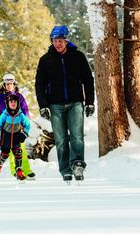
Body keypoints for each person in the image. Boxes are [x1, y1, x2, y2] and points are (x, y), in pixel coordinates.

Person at [35, 25, 95, 182]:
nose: (58, 43)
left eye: (61, 40)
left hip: (75, 103)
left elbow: (88, 80)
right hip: (55, 105)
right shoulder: (45, 60)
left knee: (77, 137)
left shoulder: (78, 57)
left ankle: (78, 164)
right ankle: (65, 170)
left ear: (66, 40)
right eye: (55, 40)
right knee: (61, 140)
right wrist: (43, 106)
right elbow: (39, 84)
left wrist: (90, 102)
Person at [0, 73, 36, 180]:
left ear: (14, 84)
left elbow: (25, 110)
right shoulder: (0, 97)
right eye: (7, 84)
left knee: (20, 150)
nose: (9, 86)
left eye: (11, 83)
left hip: (17, 125)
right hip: (5, 127)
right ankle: (15, 171)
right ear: (3, 84)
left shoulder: (19, 96)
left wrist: (23, 124)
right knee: (8, 151)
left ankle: (25, 170)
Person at [0, 94, 31, 181]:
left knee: (18, 154)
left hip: (17, 139)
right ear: (7, 104)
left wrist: (24, 133)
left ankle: (19, 171)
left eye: (15, 102)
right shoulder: (4, 114)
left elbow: (27, 125)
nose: (13, 103)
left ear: (18, 103)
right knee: (4, 155)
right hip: (6, 139)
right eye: (11, 102)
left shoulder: (20, 115)